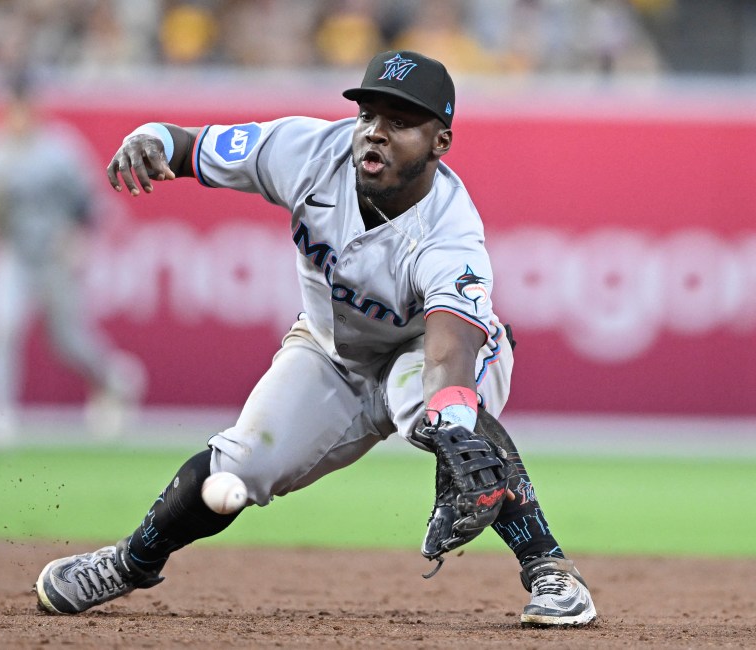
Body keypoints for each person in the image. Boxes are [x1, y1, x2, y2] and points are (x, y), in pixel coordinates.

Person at [33, 50, 597, 628]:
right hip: (329, 352)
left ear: (440, 142)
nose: (376, 132)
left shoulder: (451, 234)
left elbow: (448, 352)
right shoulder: (304, 151)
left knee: (456, 428)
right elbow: (187, 146)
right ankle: (129, 563)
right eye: (368, 115)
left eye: (400, 123)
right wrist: (148, 136)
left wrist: (450, 420)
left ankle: (551, 570)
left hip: (420, 354)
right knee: (239, 462)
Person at [0, 73, 145, 450]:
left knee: (67, 340)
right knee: (0, 326)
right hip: (14, 252)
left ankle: (115, 379)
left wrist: (77, 237)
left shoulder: (60, 149)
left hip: (54, 253)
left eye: (21, 107)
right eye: (9, 108)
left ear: (34, 109)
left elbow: (91, 203)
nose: (15, 116)